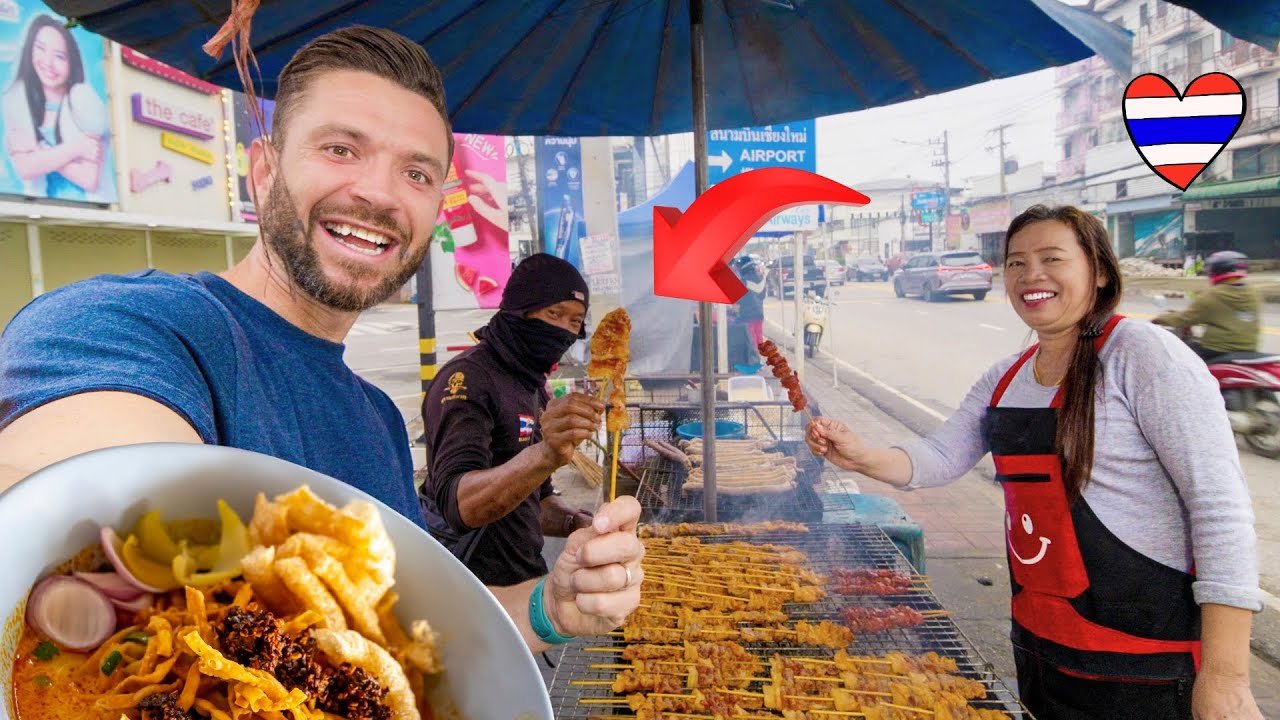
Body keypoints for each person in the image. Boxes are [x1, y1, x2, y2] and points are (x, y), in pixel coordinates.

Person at [0, 26, 642, 654]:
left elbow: (396, 634)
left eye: (417, 174)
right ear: (263, 172)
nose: (379, 193)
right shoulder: (129, 326)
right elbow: (60, 485)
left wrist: (548, 607)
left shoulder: (377, 423)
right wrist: (98, 539)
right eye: (340, 149)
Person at [808, 205, 1262, 720]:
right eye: (1016, 263)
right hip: (1041, 647)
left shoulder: (1145, 356)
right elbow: (939, 455)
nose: (1031, 276)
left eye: (1052, 258)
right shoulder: (1008, 375)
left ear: (1101, 271)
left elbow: (1220, 510)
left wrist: (1227, 677)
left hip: (1145, 663)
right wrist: (862, 456)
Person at [421, 253, 602, 586]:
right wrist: (547, 454)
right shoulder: (468, 378)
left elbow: (537, 500)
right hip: (472, 592)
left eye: (575, 322)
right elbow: (459, 506)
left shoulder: (532, 386)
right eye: (554, 313)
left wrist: (579, 524)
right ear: (520, 309)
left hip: (524, 581)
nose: (563, 329)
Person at [2, 14, 105, 200]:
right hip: (30, 203)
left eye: (59, 56)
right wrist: (76, 148)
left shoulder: (82, 99)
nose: (48, 63)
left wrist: (41, 154)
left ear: (71, 61)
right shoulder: (15, 99)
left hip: (83, 205)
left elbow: (89, 179)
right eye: (40, 48)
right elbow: (25, 169)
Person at [1154, 250, 1262, 362]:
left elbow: (1185, 318)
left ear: (1217, 271)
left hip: (1217, 350)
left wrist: (1157, 319)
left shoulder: (1213, 295)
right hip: (1249, 349)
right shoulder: (1253, 293)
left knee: (1180, 357)